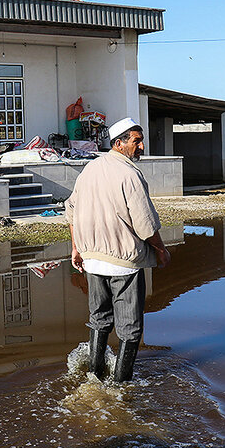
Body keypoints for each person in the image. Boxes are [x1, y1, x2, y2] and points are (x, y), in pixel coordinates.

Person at [65, 117, 171, 382]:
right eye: (136, 141)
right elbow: (145, 225)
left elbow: (71, 211)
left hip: (92, 261)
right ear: (119, 143)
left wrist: (76, 249)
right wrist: (161, 250)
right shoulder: (130, 174)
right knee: (130, 329)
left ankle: (94, 375)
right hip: (123, 263)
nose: (142, 146)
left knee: (99, 319)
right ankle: (122, 387)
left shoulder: (90, 169)